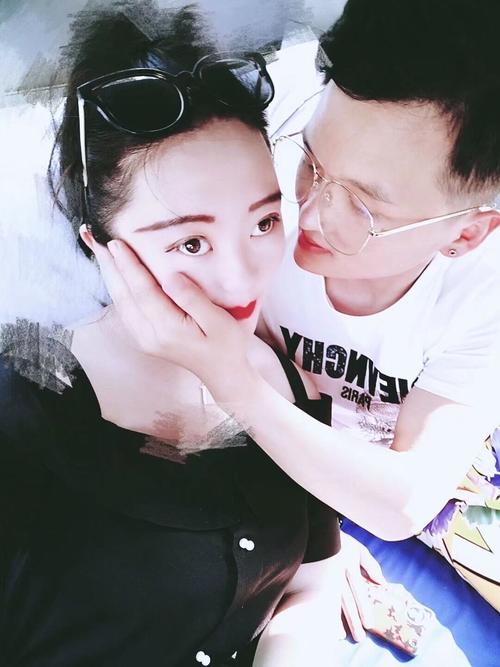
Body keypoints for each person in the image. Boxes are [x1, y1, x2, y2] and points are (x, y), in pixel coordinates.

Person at [95, 0, 500, 623]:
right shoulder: (257, 185)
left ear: (466, 234)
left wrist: (236, 385)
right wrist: (312, 528)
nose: (304, 214)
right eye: (311, 161)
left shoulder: (483, 294)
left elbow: (405, 502)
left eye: (364, 208)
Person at [0, 5, 343, 666]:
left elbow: (311, 581)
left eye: (264, 222)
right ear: (101, 245)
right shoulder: (20, 418)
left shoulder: (279, 376)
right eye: (190, 241)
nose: (242, 277)